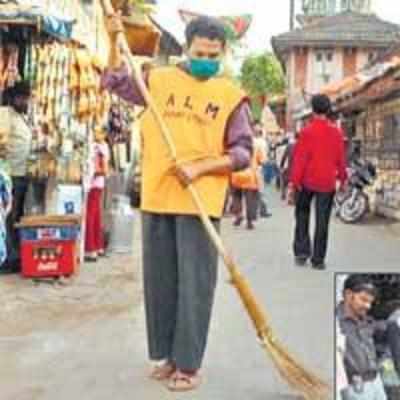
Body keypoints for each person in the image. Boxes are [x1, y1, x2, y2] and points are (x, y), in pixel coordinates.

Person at [102, 14, 252, 391]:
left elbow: (242, 152)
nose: (207, 60)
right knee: (162, 284)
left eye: (214, 55)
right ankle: (168, 356)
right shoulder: (157, 78)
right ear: (186, 48)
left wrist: (202, 167)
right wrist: (111, 39)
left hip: (200, 203)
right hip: (157, 196)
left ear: (223, 54)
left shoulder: (231, 95)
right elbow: (114, 80)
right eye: (200, 52)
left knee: (195, 287)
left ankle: (189, 365)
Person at [288, 94, 347, 270]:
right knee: (323, 221)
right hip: (327, 182)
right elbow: (341, 160)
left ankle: (301, 252)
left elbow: (300, 160)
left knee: (302, 215)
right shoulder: (336, 133)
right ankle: (318, 259)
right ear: (328, 110)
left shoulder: (306, 132)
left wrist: (293, 183)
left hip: (306, 181)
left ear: (312, 110)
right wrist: (343, 179)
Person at [337, 275, 388, 400]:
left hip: (376, 382)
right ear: (348, 295)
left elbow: (385, 333)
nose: (368, 306)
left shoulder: (367, 321)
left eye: (370, 302)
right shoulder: (337, 323)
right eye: (364, 300)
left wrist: (380, 360)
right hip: (355, 387)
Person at [1, 81, 32, 274]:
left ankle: (14, 255)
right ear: (14, 99)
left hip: (21, 174)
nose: (25, 101)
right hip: (9, 174)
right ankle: (7, 258)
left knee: (16, 217)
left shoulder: (21, 117)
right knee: (8, 217)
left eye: (27, 98)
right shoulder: (6, 115)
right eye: (22, 98)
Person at [231, 131, 267, 230]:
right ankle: (249, 221)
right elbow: (261, 160)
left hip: (236, 175)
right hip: (250, 175)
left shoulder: (235, 146)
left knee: (236, 196)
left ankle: (238, 214)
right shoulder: (255, 145)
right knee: (250, 199)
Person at [85, 127, 110, 262]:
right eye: (95, 131)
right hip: (97, 184)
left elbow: (104, 169)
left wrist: (95, 172)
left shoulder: (101, 148)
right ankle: (98, 246)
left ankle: (90, 248)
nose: (96, 134)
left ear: (104, 134)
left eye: (99, 132)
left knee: (90, 215)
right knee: (95, 215)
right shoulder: (99, 146)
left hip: (94, 184)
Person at [253, 121, 272, 218]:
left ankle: (257, 210)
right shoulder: (261, 142)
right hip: (258, 167)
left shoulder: (255, 141)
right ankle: (261, 210)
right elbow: (265, 156)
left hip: (256, 167)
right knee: (260, 190)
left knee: (257, 190)